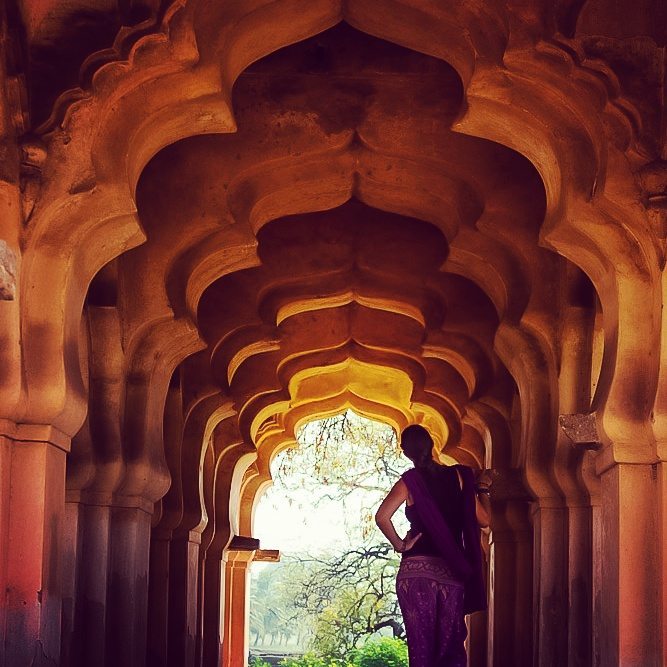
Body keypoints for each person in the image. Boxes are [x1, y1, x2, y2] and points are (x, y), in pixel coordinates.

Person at [375, 424, 489, 667]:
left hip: (415, 573)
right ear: (433, 445)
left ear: (406, 453)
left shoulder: (409, 482)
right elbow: (485, 520)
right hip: (451, 571)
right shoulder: (460, 477)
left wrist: (400, 544)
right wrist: (482, 490)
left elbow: (382, 517)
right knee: (450, 649)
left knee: (421, 650)